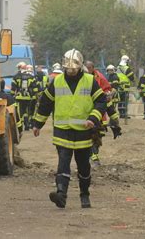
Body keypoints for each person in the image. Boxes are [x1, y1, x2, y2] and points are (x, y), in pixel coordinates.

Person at [33, 49, 107, 209]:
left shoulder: (90, 80)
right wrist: (37, 124)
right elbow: (46, 103)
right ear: (64, 67)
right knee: (63, 163)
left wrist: (93, 118)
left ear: (80, 67)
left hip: (83, 130)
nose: (71, 71)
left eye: (74, 69)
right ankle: (61, 195)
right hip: (62, 130)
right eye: (69, 69)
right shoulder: (57, 81)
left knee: (83, 166)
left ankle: (84, 195)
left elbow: (101, 101)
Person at [85, 61, 122, 165]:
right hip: (85, 113)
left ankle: (94, 157)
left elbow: (106, 99)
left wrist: (115, 122)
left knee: (97, 136)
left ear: (92, 68)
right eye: (86, 68)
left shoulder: (100, 78)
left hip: (98, 114)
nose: (87, 70)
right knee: (85, 137)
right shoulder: (81, 78)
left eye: (89, 68)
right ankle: (89, 158)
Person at [11, 64, 38, 131]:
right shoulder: (31, 77)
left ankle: (24, 124)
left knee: (21, 111)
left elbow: (13, 88)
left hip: (19, 97)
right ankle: (28, 124)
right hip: (29, 97)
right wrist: (35, 96)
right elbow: (35, 89)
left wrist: (12, 96)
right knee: (28, 111)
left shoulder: (16, 77)